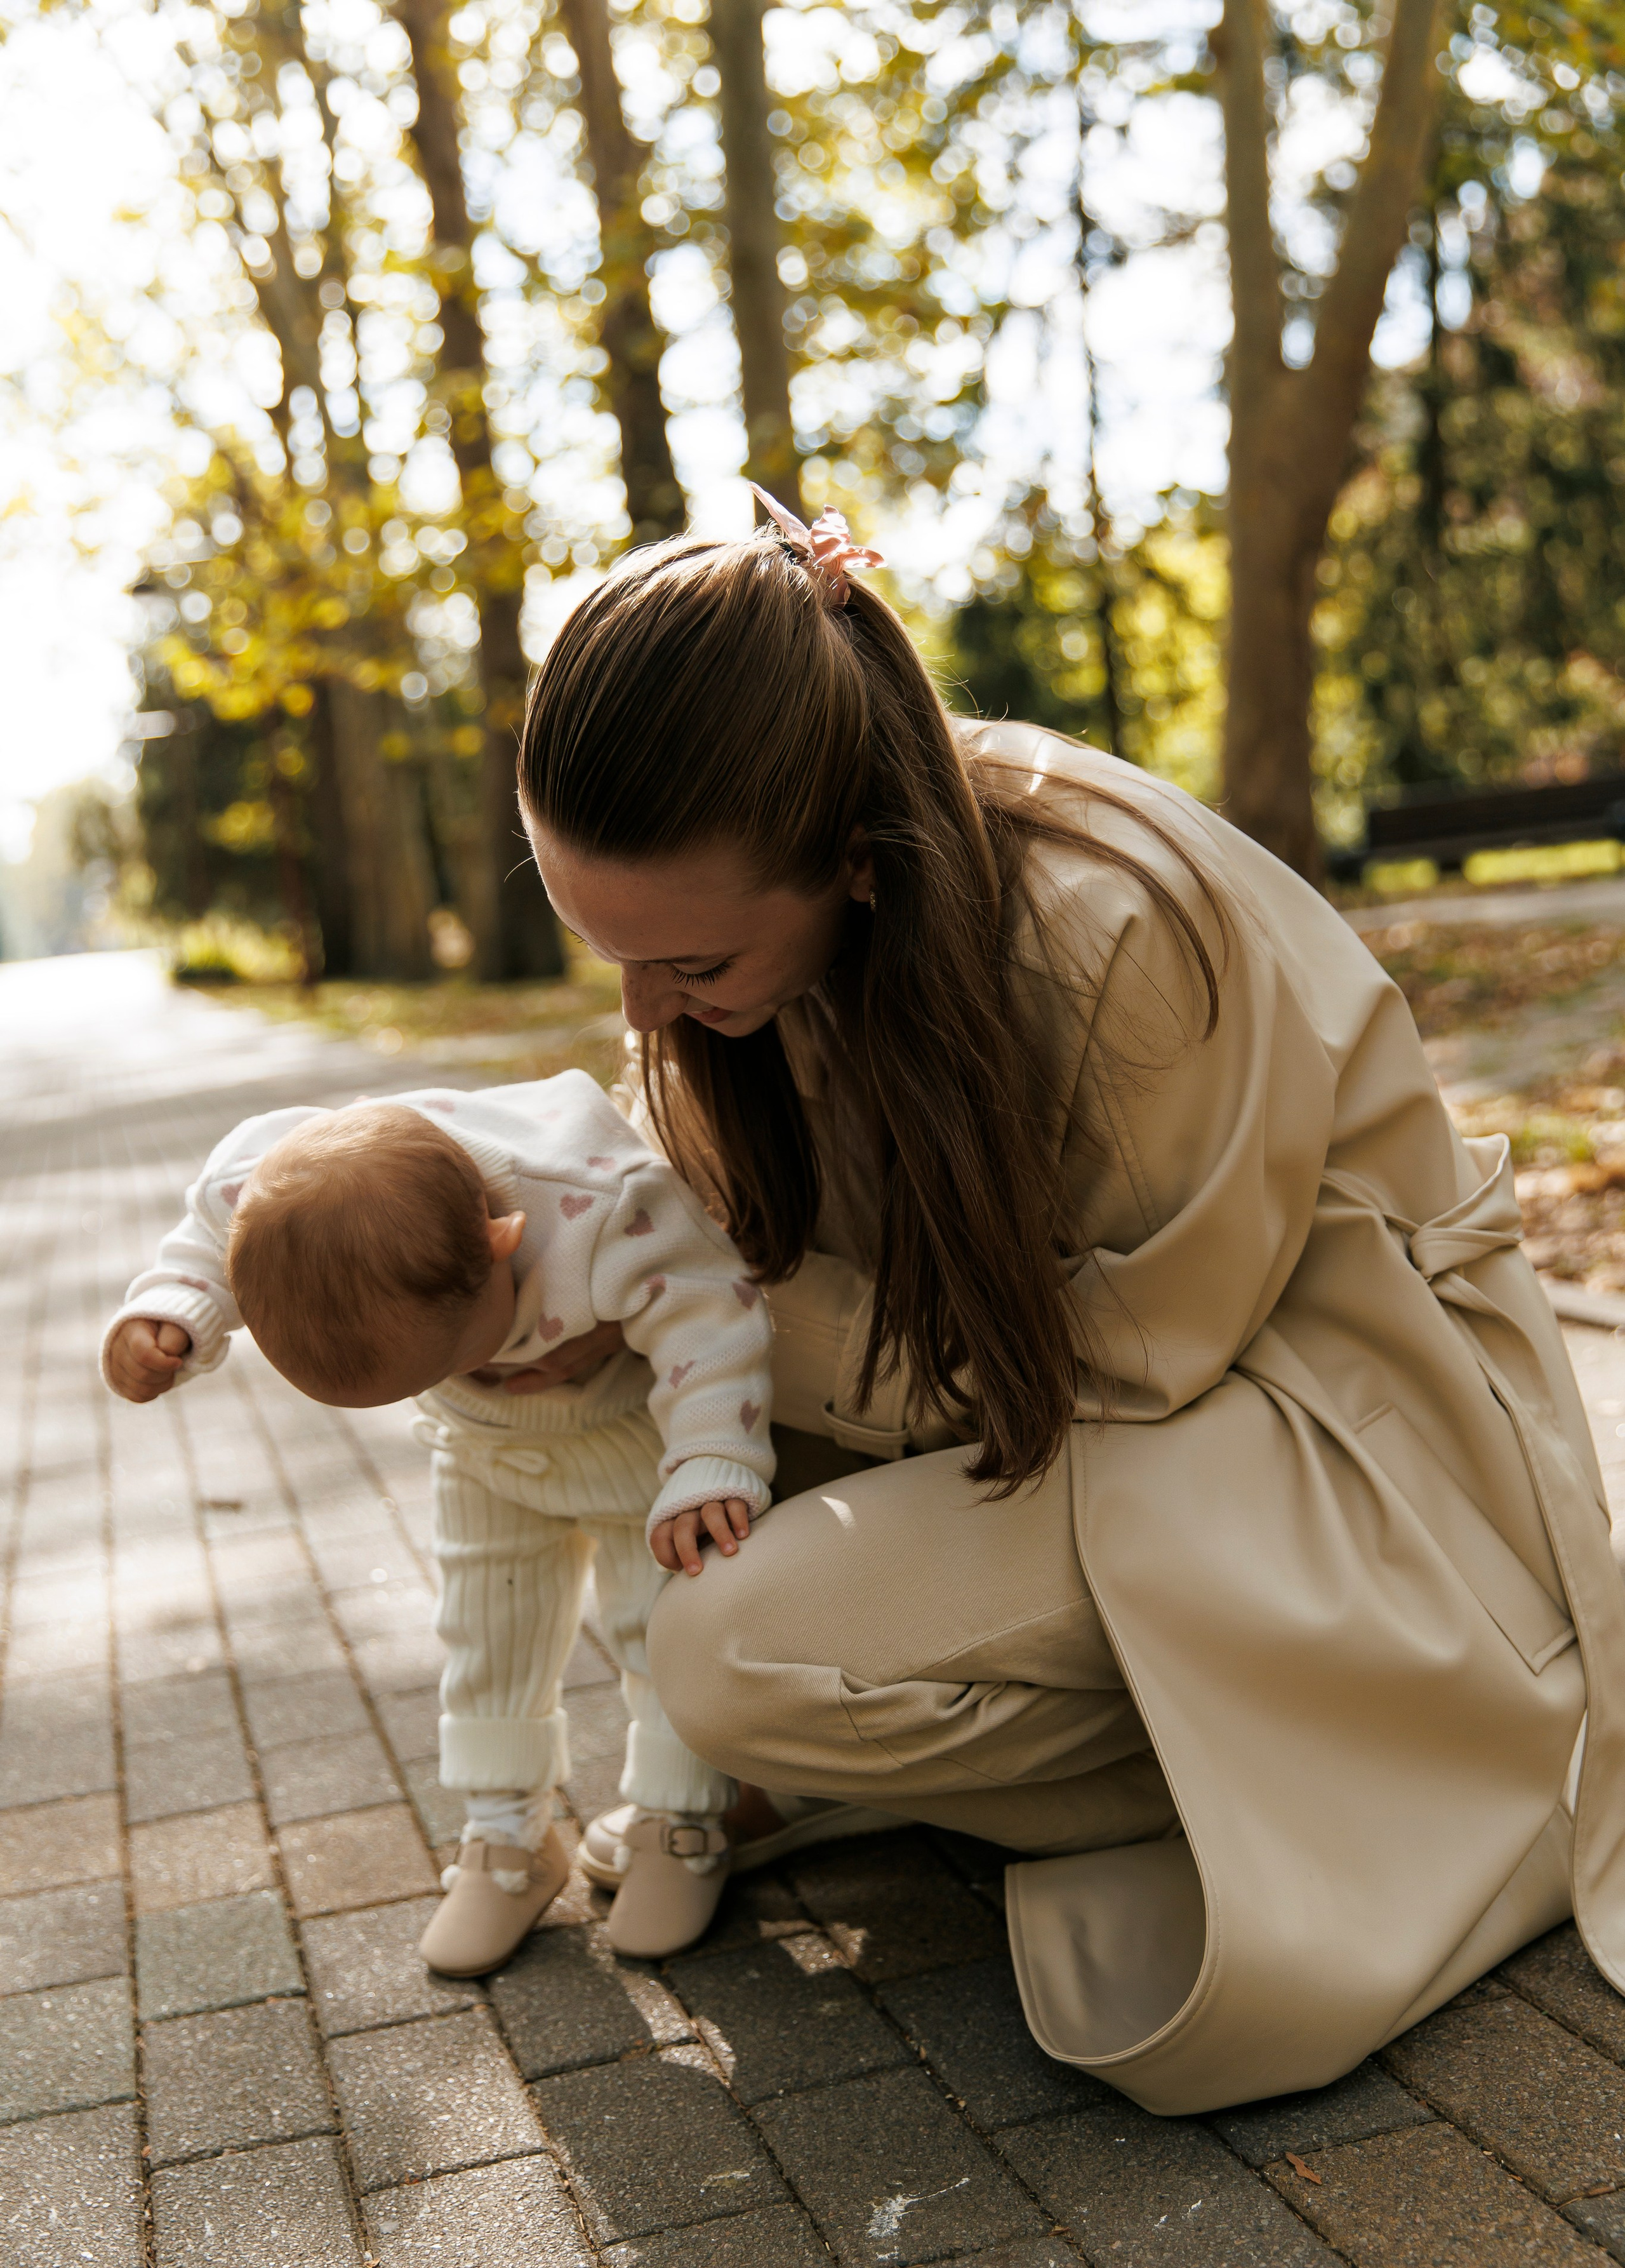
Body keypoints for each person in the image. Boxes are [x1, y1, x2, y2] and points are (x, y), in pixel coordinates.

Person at [510, 485, 1625, 2115]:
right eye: (598, 944)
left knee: (725, 1656)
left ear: (854, 868)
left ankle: (1356, 1759)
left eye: (687, 967)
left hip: (1315, 1431)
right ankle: (1162, 1750)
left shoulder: (1107, 934)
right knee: (665, 1429)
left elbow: (1137, 1361)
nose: (644, 1011)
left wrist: (737, 1320)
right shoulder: (758, 946)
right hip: (1116, 1436)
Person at [100, 1071, 785, 1968]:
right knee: (485, 1634)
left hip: (629, 1441)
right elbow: (204, 1246)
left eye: (455, 1356)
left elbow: (711, 1315)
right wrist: (167, 1314)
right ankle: (506, 1839)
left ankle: (681, 1820)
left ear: (502, 1242)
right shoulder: (262, 1184)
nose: (449, 1375)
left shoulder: (604, 1203)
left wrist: (709, 1460)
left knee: (655, 1625)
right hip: (481, 1455)